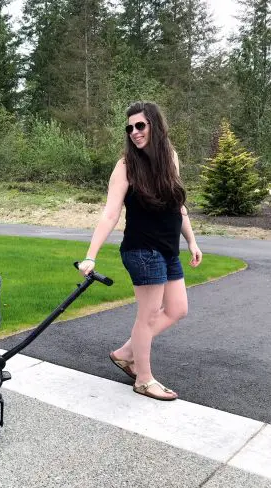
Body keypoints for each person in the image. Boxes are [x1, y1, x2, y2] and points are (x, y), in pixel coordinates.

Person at [78, 101, 202, 401]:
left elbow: (178, 206)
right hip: (142, 250)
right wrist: (91, 255)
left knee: (177, 309)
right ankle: (143, 379)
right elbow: (110, 214)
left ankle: (126, 352)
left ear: (155, 126)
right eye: (130, 127)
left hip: (169, 249)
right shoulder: (125, 167)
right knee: (147, 316)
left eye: (140, 126)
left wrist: (192, 240)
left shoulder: (170, 157)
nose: (134, 132)